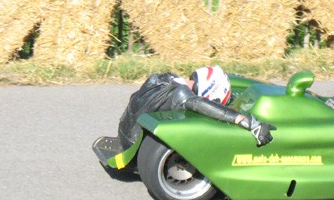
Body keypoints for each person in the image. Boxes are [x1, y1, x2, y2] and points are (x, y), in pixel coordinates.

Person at [117, 65, 275, 151]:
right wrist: (245, 121)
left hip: (124, 131)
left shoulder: (167, 78)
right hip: (133, 144)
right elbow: (200, 104)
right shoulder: (182, 95)